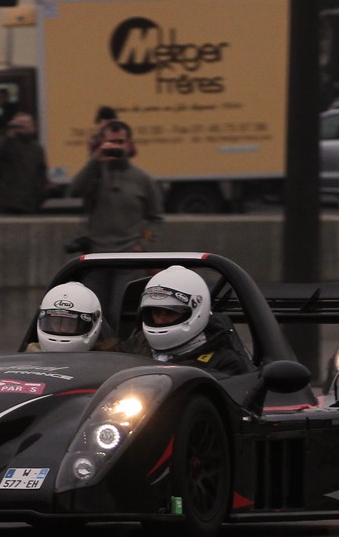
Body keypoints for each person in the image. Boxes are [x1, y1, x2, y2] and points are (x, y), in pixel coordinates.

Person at [67, 121, 163, 333]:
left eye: (120, 142)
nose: (116, 147)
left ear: (129, 144)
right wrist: (95, 160)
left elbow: (155, 218)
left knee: (119, 311)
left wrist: (143, 242)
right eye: (111, 141)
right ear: (101, 143)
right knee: (93, 312)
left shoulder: (143, 179)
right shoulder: (95, 174)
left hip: (129, 258)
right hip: (96, 257)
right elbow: (74, 191)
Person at [120, 266, 252, 376]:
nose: (160, 321)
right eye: (156, 313)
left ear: (196, 311)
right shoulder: (130, 350)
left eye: (170, 313)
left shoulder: (224, 363)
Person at [0, 112, 49, 214]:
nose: (24, 126)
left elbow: (41, 172)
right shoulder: (8, 144)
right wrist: (9, 135)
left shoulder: (37, 148)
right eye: (20, 123)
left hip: (30, 202)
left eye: (27, 123)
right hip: (9, 201)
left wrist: (39, 193)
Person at [28, 283, 104, 353]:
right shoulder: (26, 362)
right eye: (56, 322)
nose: (62, 329)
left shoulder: (108, 362)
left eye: (70, 324)